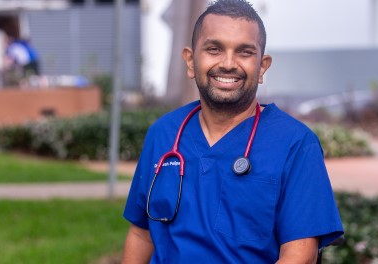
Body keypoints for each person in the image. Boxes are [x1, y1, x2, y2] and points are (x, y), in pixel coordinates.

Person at [122, 0, 344, 263]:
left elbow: (300, 254)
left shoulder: (296, 144)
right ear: (191, 61)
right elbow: (142, 235)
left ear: (262, 67)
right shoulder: (164, 133)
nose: (228, 63)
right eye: (214, 49)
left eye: (244, 52)